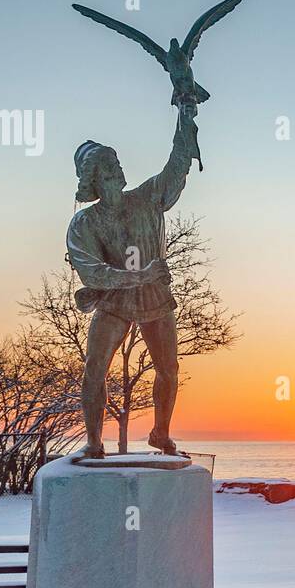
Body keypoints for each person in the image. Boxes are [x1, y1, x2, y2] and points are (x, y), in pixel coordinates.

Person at [65, 105, 200, 458]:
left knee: (169, 370)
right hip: (113, 302)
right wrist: (139, 275)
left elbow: (177, 165)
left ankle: (160, 432)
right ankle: (94, 442)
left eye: (117, 162)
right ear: (94, 178)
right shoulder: (85, 224)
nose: (118, 169)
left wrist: (186, 112)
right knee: (95, 368)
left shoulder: (147, 198)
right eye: (109, 166)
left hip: (155, 298)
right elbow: (92, 272)